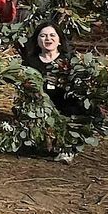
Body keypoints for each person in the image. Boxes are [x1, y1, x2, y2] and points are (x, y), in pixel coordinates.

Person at [22, 22, 81, 163]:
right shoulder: (30, 62)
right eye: (43, 36)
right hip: (40, 106)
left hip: (65, 105)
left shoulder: (69, 60)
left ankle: (67, 147)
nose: (48, 39)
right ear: (37, 41)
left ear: (59, 39)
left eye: (52, 35)